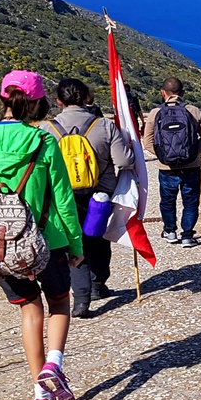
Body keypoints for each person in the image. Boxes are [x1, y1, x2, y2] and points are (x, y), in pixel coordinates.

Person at [0, 70, 84, 400]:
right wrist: (76, 244)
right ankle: (54, 366)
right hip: (48, 242)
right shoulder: (43, 142)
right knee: (59, 303)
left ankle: (39, 398)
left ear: (4, 99)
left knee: (30, 311)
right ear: (36, 103)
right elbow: (63, 200)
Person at [42, 78, 136, 318]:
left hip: (62, 197)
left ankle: (81, 299)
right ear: (86, 98)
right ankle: (97, 285)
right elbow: (124, 162)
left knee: (74, 243)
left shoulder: (46, 130)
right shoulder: (103, 126)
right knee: (98, 239)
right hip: (100, 194)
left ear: (58, 101)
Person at [142, 77, 201, 248]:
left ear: (163, 93)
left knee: (167, 199)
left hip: (167, 167)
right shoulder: (194, 111)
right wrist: (192, 154)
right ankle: (187, 236)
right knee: (190, 200)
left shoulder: (155, 113)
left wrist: (163, 155)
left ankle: (170, 231)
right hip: (192, 166)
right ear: (183, 93)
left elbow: (148, 142)